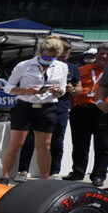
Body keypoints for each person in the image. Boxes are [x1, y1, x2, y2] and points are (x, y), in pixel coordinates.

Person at [0, 36, 68, 184]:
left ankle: (45, 180)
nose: (48, 60)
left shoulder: (62, 67)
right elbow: (8, 88)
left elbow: (62, 90)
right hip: (25, 107)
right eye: (46, 56)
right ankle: (4, 176)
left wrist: (57, 91)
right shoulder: (24, 65)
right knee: (17, 144)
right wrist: (26, 91)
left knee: (44, 146)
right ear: (40, 52)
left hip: (47, 108)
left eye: (52, 57)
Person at [14, 39, 81, 182]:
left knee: (57, 141)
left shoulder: (72, 68)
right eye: (60, 55)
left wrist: (70, 89)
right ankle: (22, 170)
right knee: (29, 139)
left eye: (65, 56)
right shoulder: (38, 64)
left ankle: (54, 172)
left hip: (61, 108)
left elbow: (78, 89)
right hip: (41, 106)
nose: (63, 58)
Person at [63, 42, 108, 186]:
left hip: (103, 111)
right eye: (102, 53)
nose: (105, 56)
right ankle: (77, 172)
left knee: (103, 145)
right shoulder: (82, 69)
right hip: (81, 109)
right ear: (96, 54)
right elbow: (73, 86)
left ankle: (98, 175)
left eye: (107, 53)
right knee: (80, 144)